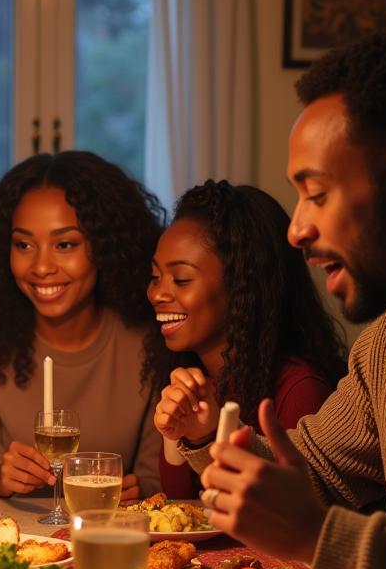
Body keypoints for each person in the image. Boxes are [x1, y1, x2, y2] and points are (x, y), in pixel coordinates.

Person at [174, 29, 386, 569]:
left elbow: (312, 518)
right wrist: (211, 444)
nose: (296, 229)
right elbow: (312, 472)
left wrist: (318, 537)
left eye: (316, 194)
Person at [0, 151, 164, 499]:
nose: (41, 266)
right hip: (12, 545)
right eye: (24, 244)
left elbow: (161, 480)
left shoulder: (150, 343)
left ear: (104, 247)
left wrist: (141, 490)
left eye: (65, 244)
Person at [146, 180, 345, 497]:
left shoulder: (299, 389)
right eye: (155, 277)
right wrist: (177, 435)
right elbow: (181, 505)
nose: (157, 293)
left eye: (181, 279)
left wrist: (207, 436)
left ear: (242, 288)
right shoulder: (192, 378)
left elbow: (292, 509)